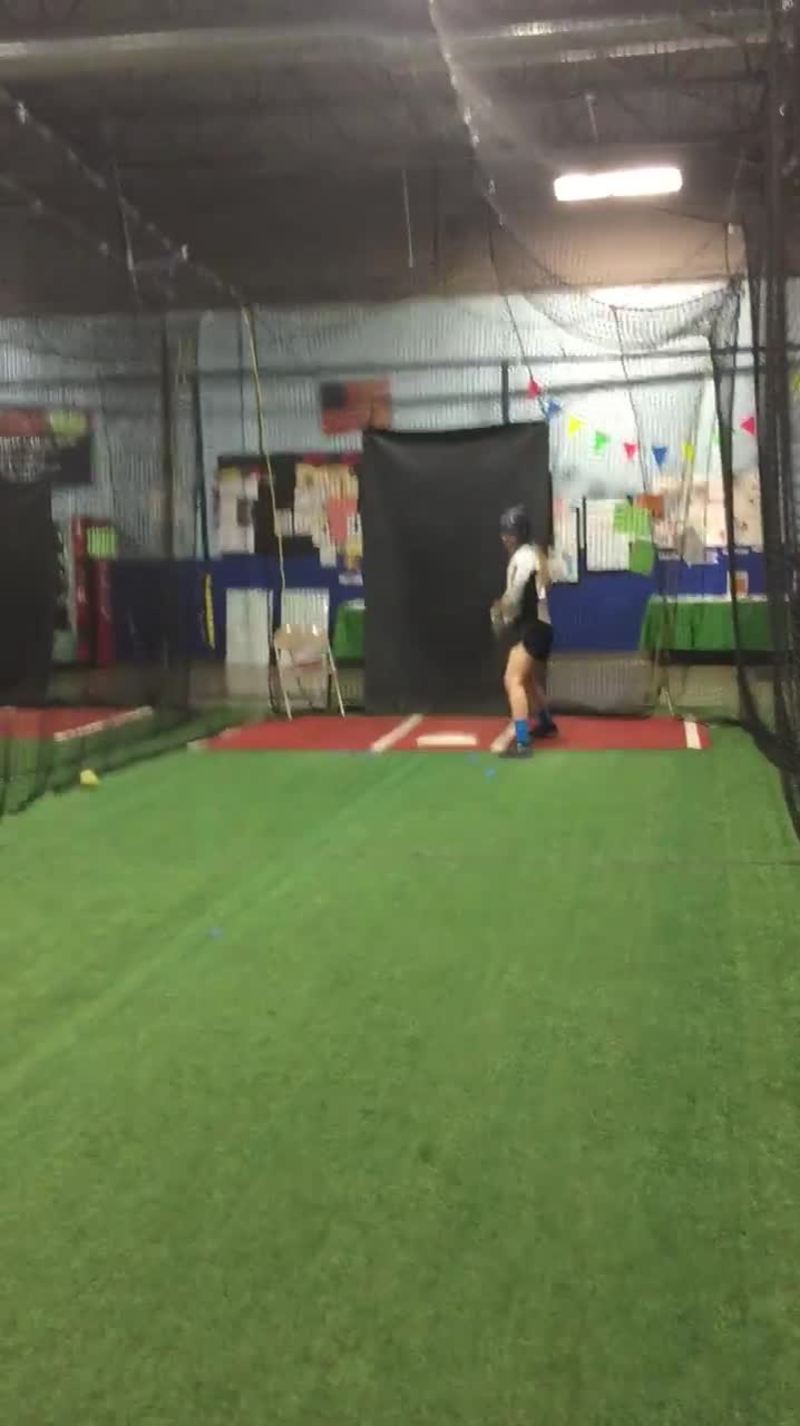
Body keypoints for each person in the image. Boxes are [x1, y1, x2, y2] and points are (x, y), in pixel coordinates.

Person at [492, 505, 557, 760]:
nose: (505, 537)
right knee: (527, 679)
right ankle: (546, 723)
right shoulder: (534, 554)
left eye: (509, 533)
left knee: (513, 679)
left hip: (535, 628)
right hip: (541, 628)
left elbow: (515, 595)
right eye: (504, 532)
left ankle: (522, 743)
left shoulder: (522, 557)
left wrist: (501, 612)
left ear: (519, 534)